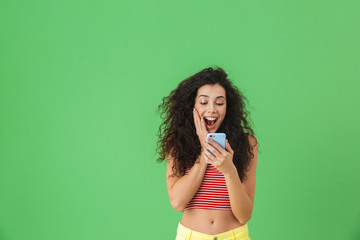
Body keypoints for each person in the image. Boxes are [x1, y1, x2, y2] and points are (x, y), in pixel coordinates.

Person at [156, 66, 259, 240]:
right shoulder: (177, 144)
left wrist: (229, 170)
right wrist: (205, 150)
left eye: (219, 103)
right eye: (204, 102)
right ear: (192, 105)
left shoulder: (247, 143)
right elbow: (178, 203)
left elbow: (244, 215)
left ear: (228, 107)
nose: (212, 109)